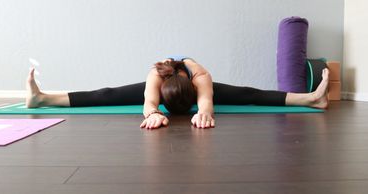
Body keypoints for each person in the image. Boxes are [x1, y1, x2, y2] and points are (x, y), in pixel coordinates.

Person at [26, 56, 329, 129]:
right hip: (162, 86)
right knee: (107, 93)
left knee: (246, 92)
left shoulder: (201, 77)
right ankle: (42, 97)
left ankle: (311, 98)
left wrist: (206, 112)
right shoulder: (154, 77)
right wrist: (154, 113)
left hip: (196, 88)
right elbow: (147, 102)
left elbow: (208, 102)